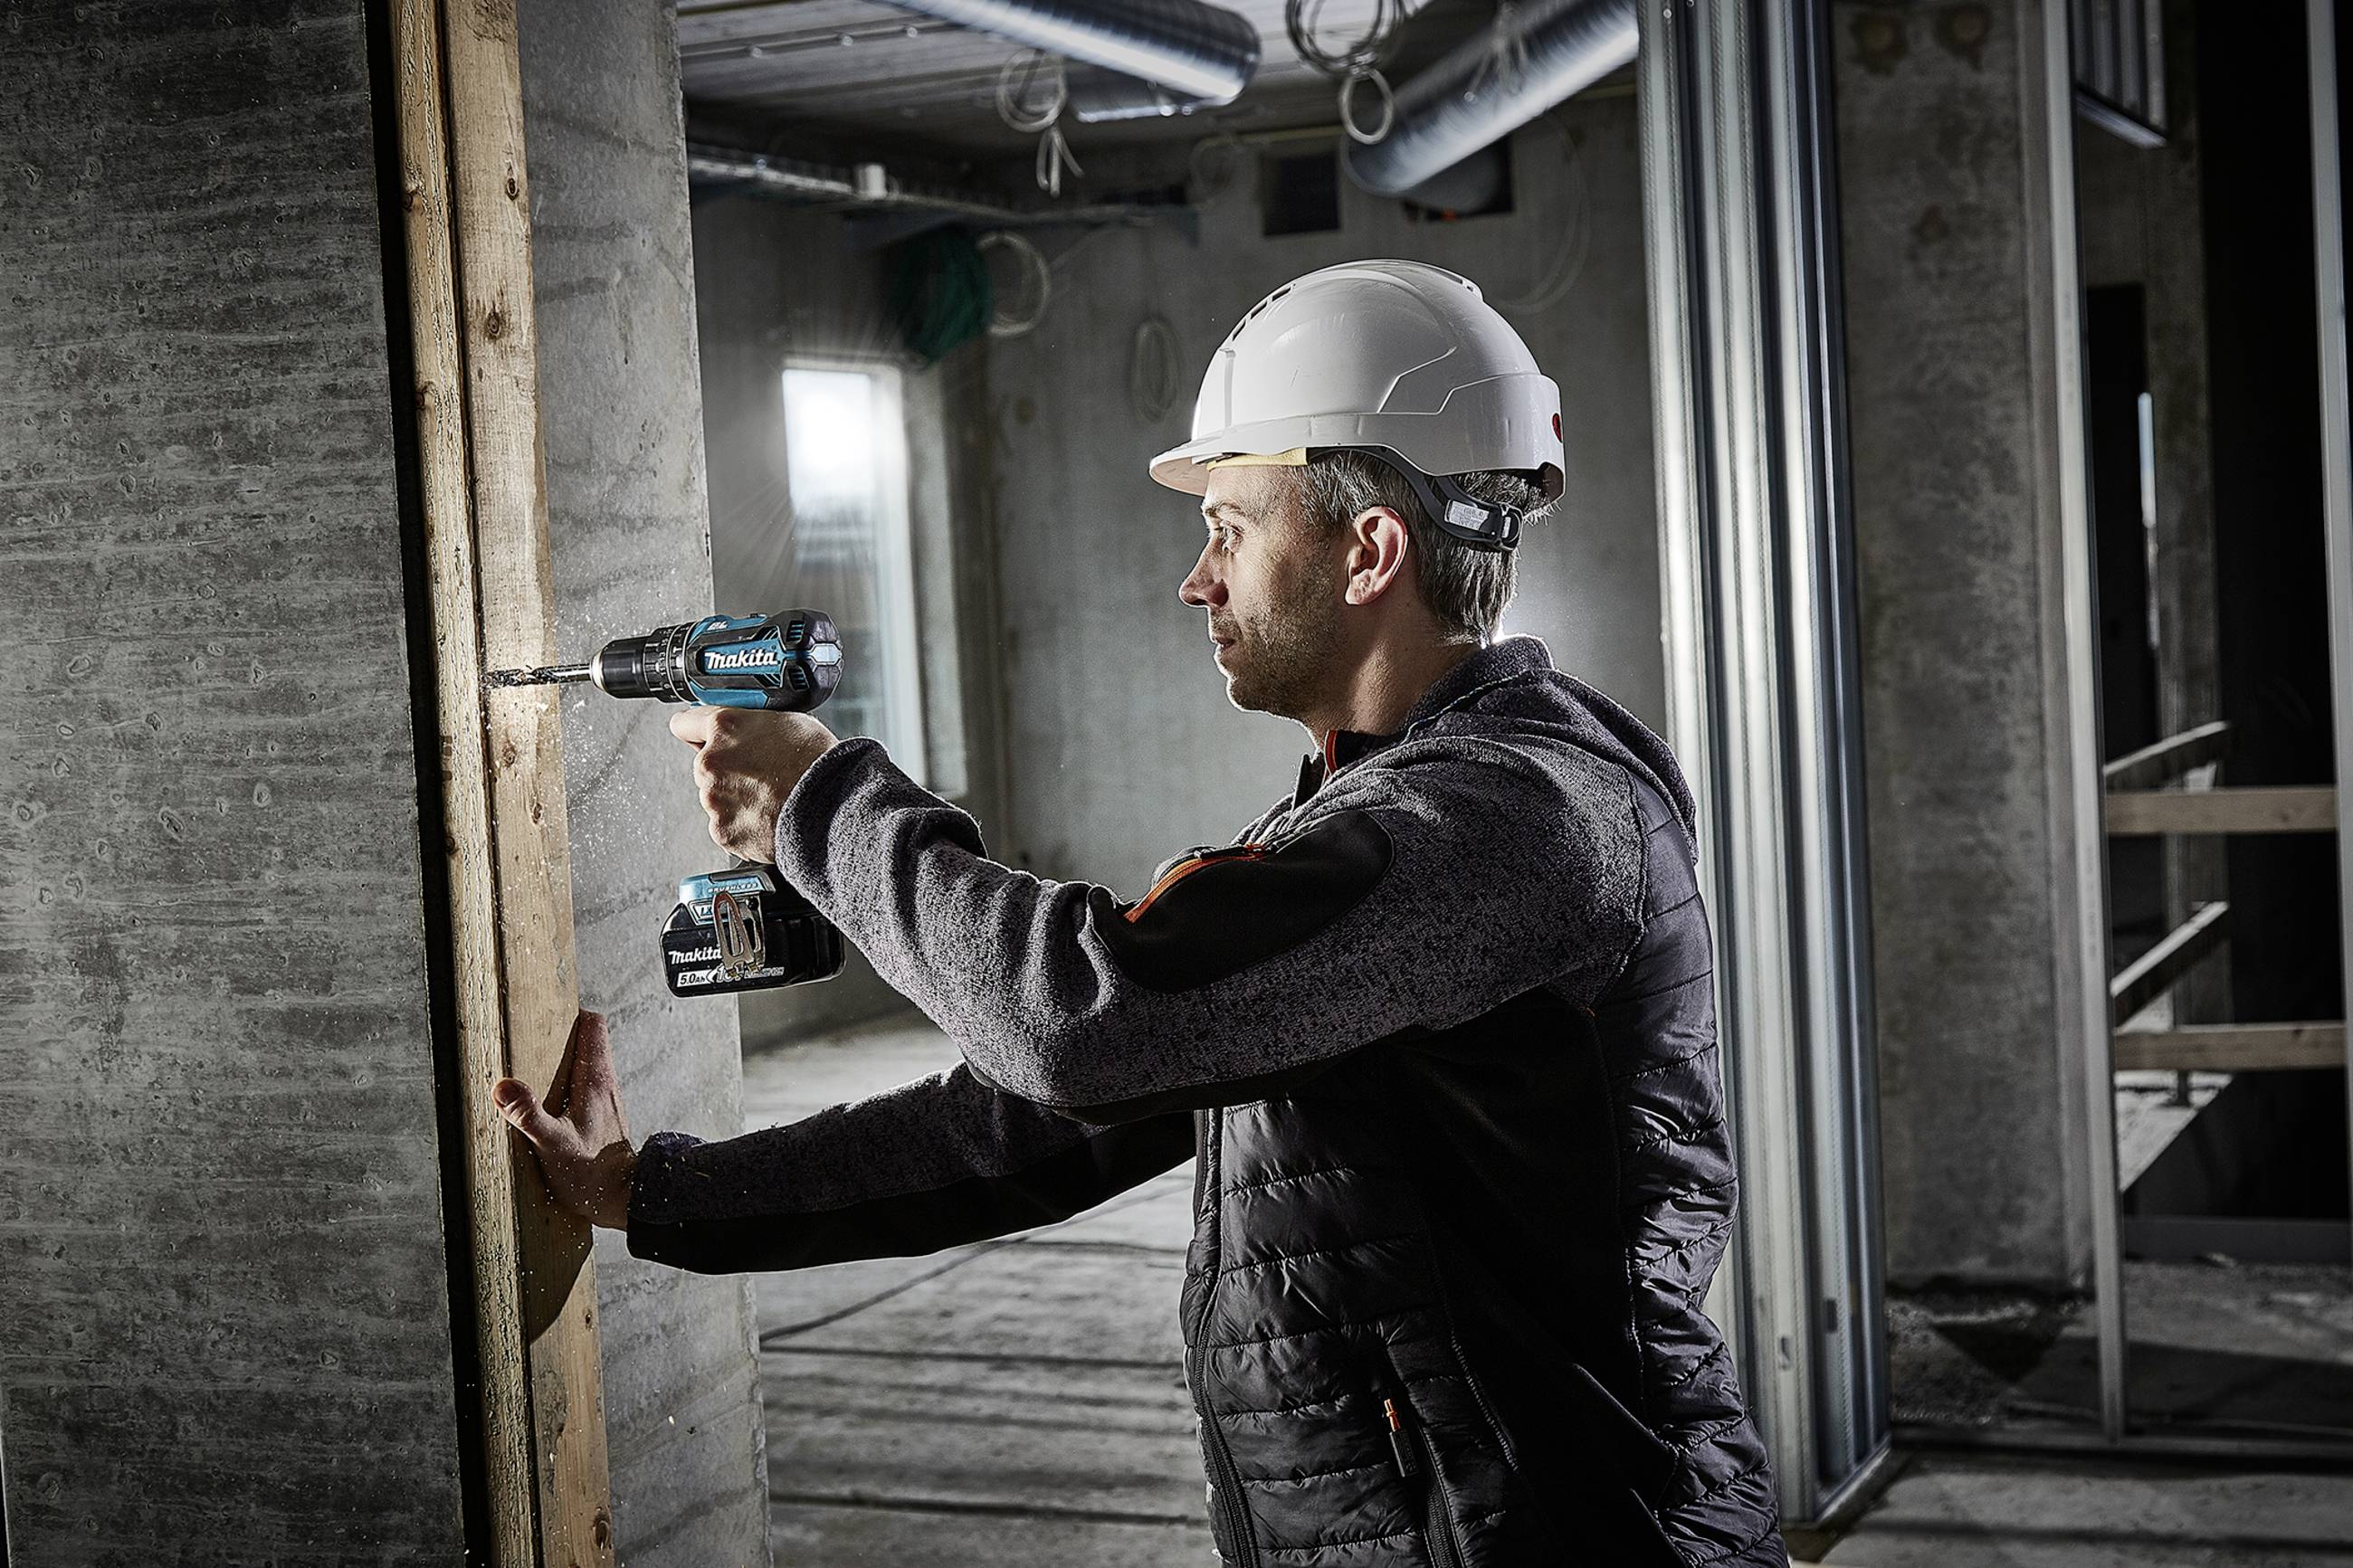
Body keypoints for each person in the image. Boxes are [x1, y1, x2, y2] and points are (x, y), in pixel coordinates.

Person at [496, 260, 1785, 1566]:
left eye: (1230, 526)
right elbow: (1035, 1124)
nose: (1197, 578)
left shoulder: (1505, 826)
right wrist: (654, 1191)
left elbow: (1077, 1023)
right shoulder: (1386, 829)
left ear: (1369, 549)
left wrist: (818, 805)